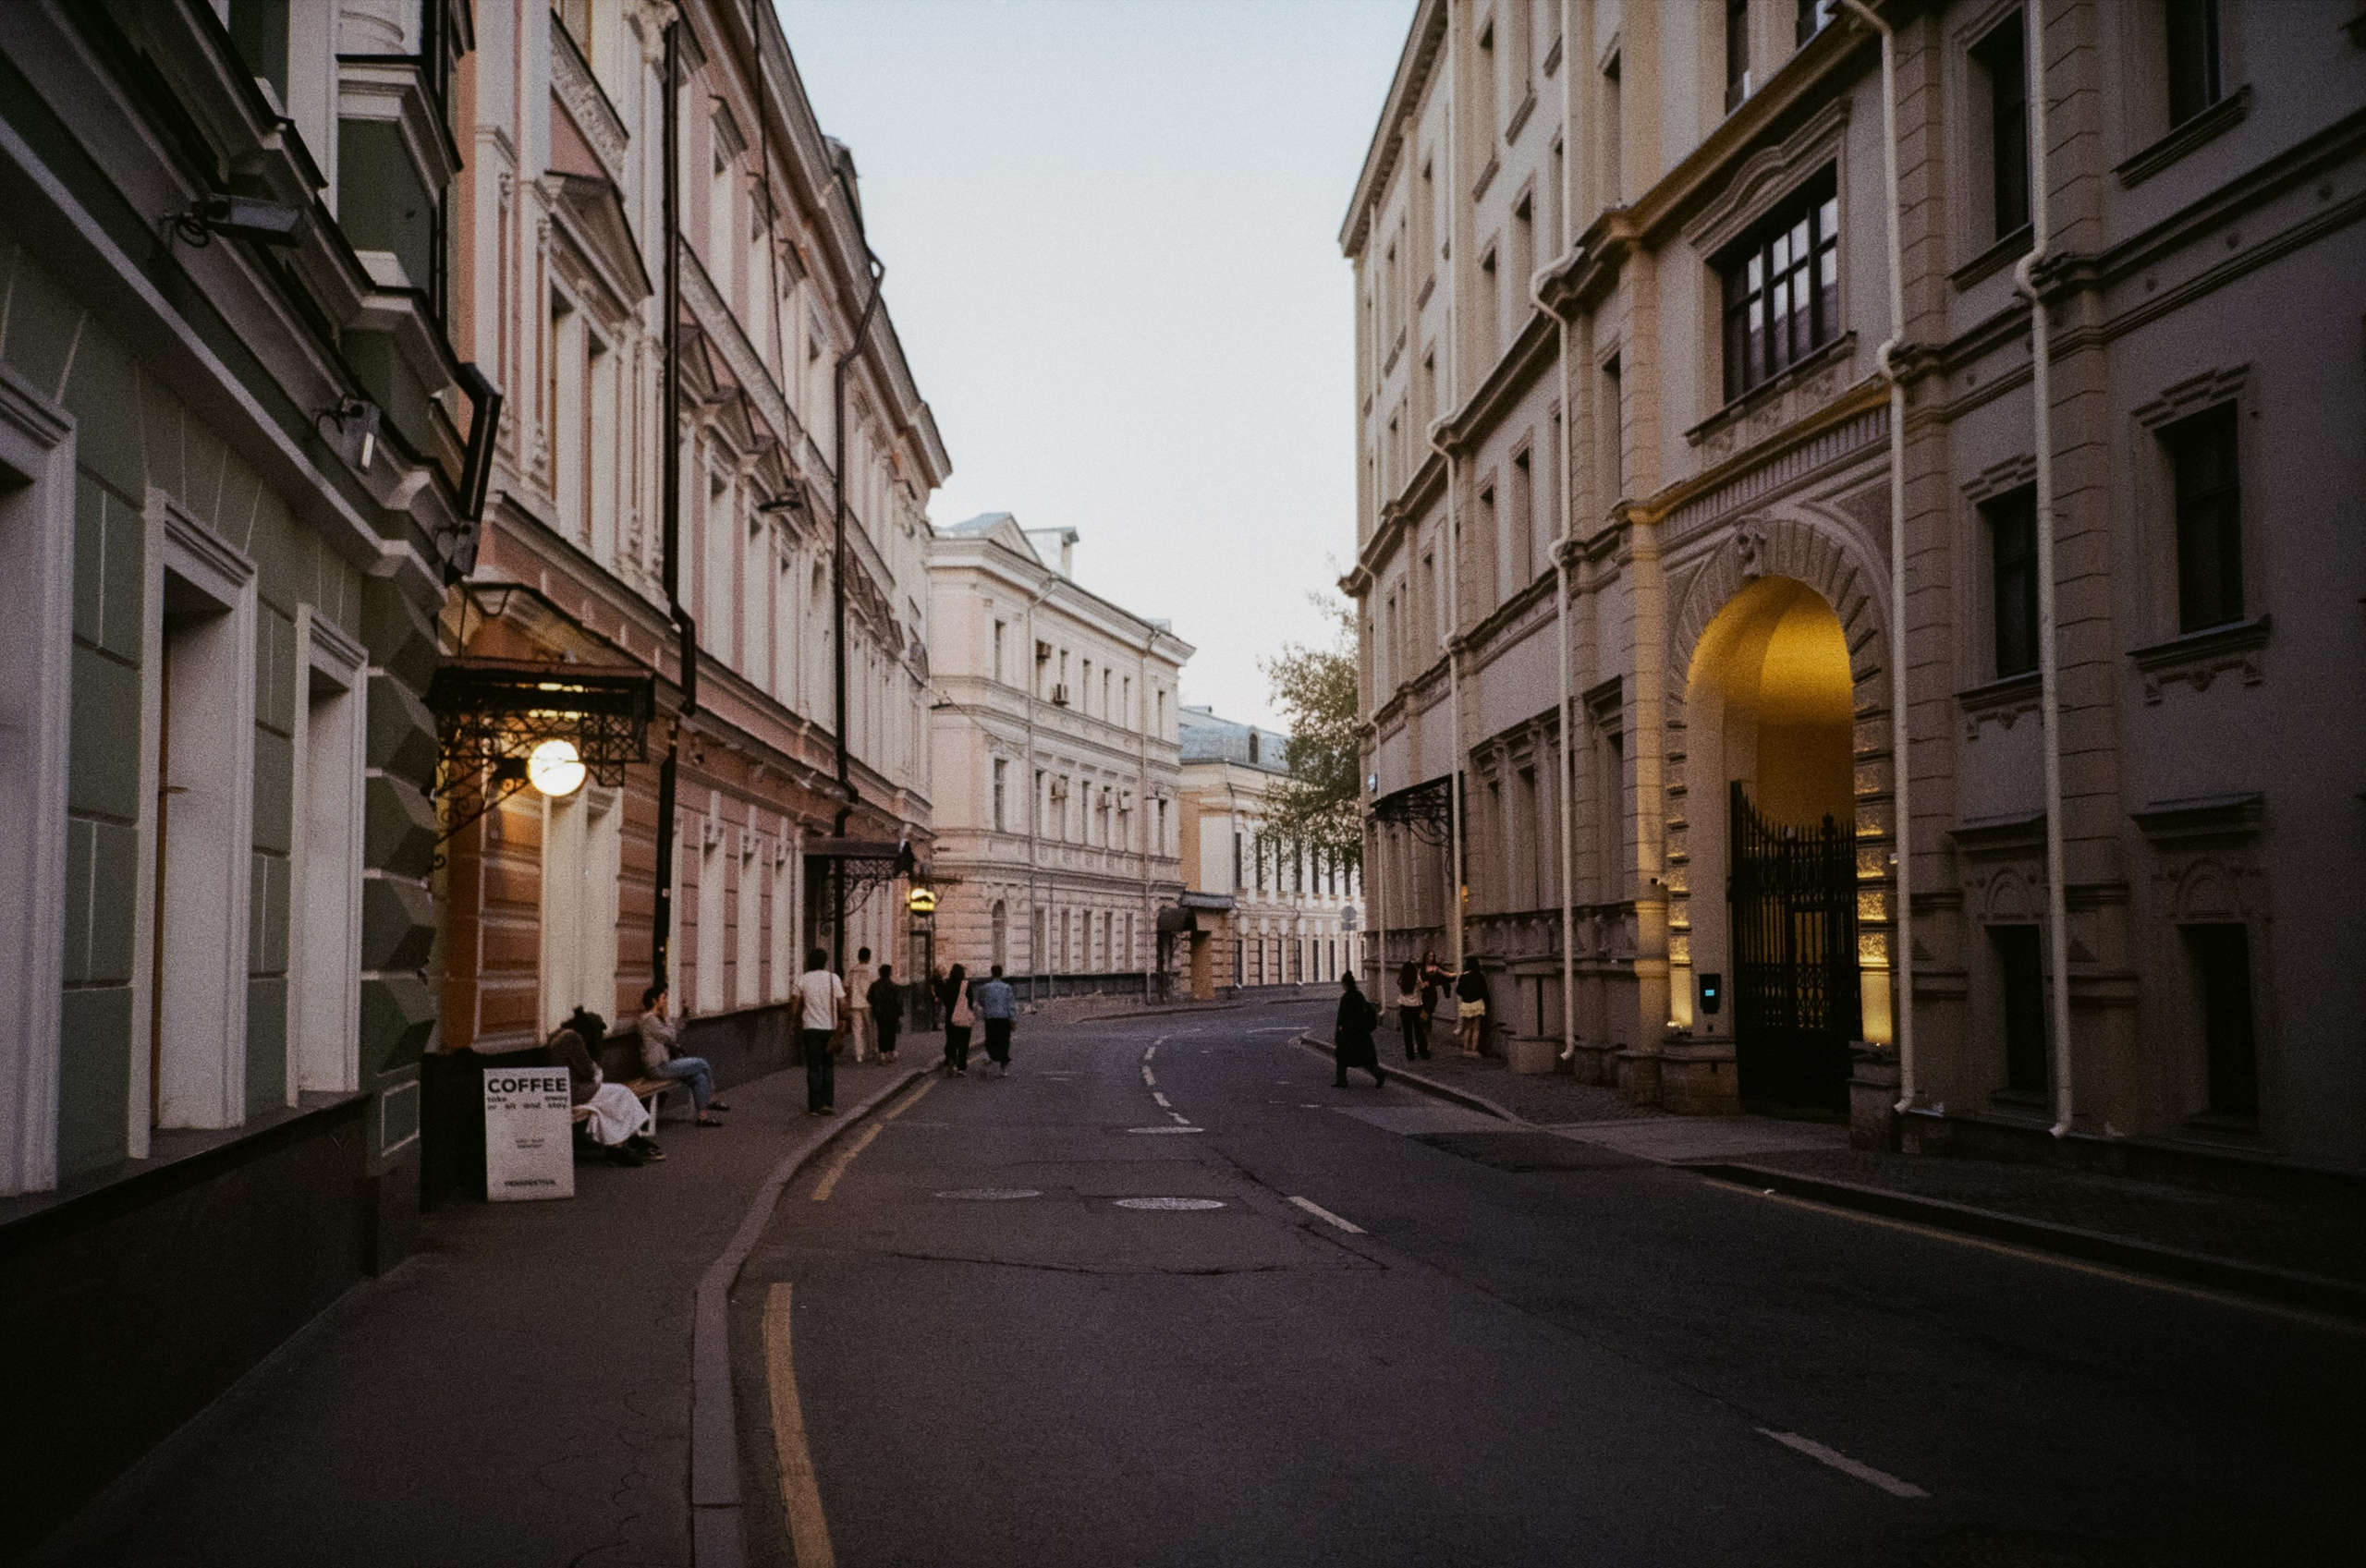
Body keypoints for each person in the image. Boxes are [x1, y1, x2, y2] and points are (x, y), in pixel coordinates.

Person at [550, 1007, 661, 1163]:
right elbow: (589, 1071)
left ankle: (621, 1144)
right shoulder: (573, 1039)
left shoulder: (561, 1035)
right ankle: (630, 1140)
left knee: (609, 1105)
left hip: (570, 1089)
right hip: (575, 1092)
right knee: (622, 1093)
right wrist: (595, 1054)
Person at [637, 985, 727, 1127]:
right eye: (663, 998)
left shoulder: (656, 1018)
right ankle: (710, 1099)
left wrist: (684, 1013)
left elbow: (676, 1028)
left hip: (666, 1065)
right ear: (655, 1001)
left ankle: (703, 1118)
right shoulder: (648, 1020)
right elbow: (671, 1036)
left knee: (699, 1077)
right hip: (658, 1068)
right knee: (701, 1063)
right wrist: (666, 1018)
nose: (666, 1001)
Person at [793, 949, 845, 1114]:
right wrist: (845, 1019)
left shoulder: (802, 979)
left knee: (813, 1068)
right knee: (828, 1066)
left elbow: (795, 1006)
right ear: (825, 961)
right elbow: (842, 1003)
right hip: (829, 1028)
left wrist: (792, 1022)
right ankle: (827, 1103)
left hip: (810, 1029)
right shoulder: (833, 978)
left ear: (809, 962)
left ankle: (814, 1106)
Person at [1332, 974, 1385, 1088]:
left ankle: (1341, 1080)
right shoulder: (1359, 995)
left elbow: (1342, 1018)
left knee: (1341, 1056)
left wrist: (1339, 1034)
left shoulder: (1346, 998)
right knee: (1366, 1059)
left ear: (1345, 984)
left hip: (1349, 1034)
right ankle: (1379, 1074)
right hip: (1362, 1034)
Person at [975, 963, 1018, 1076]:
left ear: (992, 973)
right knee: (1004, 1042)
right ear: (1001, 974)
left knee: (991, 1040)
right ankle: (1003, 1068)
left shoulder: (985, 988)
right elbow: (1011, 1004)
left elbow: (981, 1001)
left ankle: (987, 1059)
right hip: (1004, 1018)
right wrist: (1013, 1020)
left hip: (990, 1018)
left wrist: (988, 1007)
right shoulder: (1007, 988)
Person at [937, 962, 972, 1076]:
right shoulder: (966, 984)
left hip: (950, 1017)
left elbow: (945, 1000)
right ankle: (961, 1068)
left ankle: (950, 1058)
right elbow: (970, 1001)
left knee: (951, 1040)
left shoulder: (947, 984)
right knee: (964, 1043)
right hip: (963, 1017)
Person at [867, 962, 904, 1064]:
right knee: (891, 1033)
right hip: (892, 1013)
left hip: (880, 1013)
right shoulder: (895, 986)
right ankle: (891, 1053)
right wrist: (900, 1014)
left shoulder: (874, 985)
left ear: (880, 973)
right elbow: (899, 1001)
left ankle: (882, 1054)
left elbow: (869, 997)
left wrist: (875, 1005)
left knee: (881, 1032)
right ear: (890, 973)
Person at [1395, 961, 1431, 1061]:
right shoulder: (1416, 980)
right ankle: (1423, 1052)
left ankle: (1410, 1054)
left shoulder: (1402, 980)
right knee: (1419, 1031)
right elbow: (1423, 986)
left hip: (1404, 1008)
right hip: (1416, 1007)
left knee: (1407, 1033)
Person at [847, 945, 876, 1063]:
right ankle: (872, 1050)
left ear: (858, 957)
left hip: (854, 1003)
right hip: (868, 1003)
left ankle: (859, 1054)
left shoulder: (852, 970)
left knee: (857, 1029)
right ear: (869, 957)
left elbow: (846, 986)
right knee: (870, 1028)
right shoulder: (872, 970)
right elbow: (875, 987)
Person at [1455, 963, 1491, 1057]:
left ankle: (1465, 1049)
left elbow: (1458, 991)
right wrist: (1488, 1004)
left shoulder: (1463, 977)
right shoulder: (1480, 977)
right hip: (1477, 1003)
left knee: (1467, 1028)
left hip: (1466, 1004)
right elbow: (1484, 991)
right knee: (1476, 1028)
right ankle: (1474, 1050)